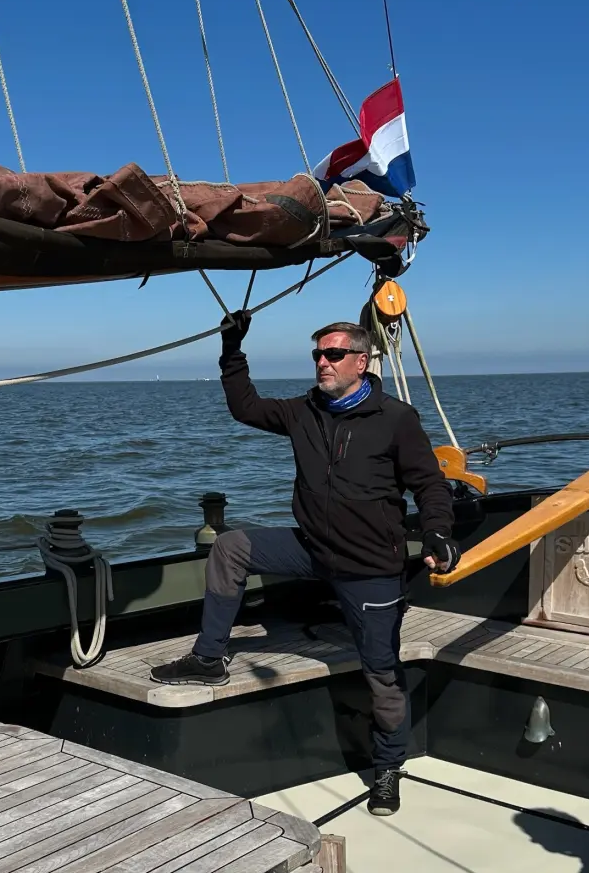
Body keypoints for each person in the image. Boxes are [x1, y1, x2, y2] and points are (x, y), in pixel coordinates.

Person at [151, 312, 461, 815]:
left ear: (361, 361)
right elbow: (245, 408)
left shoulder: (396, 419)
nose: (322, 362)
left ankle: (387, 769)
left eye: (333, 354)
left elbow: (429, 485)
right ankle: (209, 659)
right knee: (231, 548)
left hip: (370, 568)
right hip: (313, 549)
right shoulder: (304, 411)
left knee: (382, 675)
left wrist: (438, 532)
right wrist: (232, 349)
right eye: (317, 354)